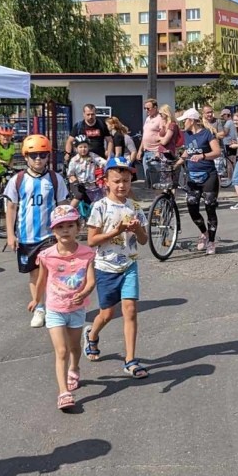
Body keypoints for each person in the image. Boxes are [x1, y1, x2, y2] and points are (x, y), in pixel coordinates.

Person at [84, 157, 149, 377]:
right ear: (106, 182)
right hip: (105, 267)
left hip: (129, 265)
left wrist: (138, 229)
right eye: (117, 181)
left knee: (130, 310)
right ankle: (92, 335)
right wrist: (117, 230)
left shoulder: (135, 207)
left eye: (126, 181)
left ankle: (130, 360)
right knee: (107, 314)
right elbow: (92, 241)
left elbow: (143, 241)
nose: (122, 185)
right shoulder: (99, 207)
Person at [30, 204, 97, 412]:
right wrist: (36, 299)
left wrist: (84, 293)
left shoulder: (87, 254)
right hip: (55, 308)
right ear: (53, 231)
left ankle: (75, 368)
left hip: (76, 309)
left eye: (70, 225)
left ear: (78, 228)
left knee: (74, 348)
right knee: (61, 350)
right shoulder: (47, 255)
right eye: (60, 227)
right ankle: (63, 393)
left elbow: (91, 281)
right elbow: (41, 280)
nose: (65, 230)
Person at [3, 134, 69, 328]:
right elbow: (12, 208)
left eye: (42, 154)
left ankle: (54, 306)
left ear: (48, 156)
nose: (38, 159)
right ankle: (40, 307)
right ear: (26, 157)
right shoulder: (18, 180)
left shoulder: (55, 179)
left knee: (51, 272)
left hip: (50, 236)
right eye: (33, 155)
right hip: (27, 236)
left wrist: (66, 233)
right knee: (34, 274)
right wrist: (10, 234)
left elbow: (62, 206)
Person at [174, 108, 222, 254]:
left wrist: (202, 156)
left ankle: (211, 242)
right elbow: (188, 151)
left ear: (192, 120)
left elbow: (217, 152)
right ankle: (204, 233)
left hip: (208, 175)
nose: (183, 124)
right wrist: (176, 164)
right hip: (193, 176)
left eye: (185, 121)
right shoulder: (187, 135)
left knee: (209, 207)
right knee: (192, 207)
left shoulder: (207, 134)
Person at [66, 135, 106, 211]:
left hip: (92, 184)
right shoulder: (74, 160)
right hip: (77, 184)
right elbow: (70, 174)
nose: (83, 149)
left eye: (85, 147)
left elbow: (103, 162)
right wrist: (76, 182)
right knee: (79, 195)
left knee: (101, 198)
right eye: (80, 147)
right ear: (76, 148)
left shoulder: (92, 156)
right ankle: (68, 211)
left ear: (89, 147)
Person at [139, 98, 167, 187]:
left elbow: (163, 136)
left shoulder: (160, 119)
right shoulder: (147, 119)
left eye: (148, 108)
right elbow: (145, 135)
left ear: (155, 107)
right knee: (148, 181)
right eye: (145, 108)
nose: (146, 110)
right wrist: (140, 150)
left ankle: (159, 199)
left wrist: (159, 151)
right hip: (146, 152)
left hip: (155, 152)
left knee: (157, 181)